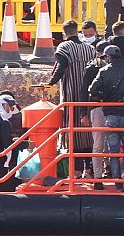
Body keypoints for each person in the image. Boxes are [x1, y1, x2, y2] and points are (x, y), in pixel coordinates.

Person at [88, 45, 124, 191]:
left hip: (110, 115)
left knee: (113, 150)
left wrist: (102, 97)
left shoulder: (104, 71)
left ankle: (118, 182)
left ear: (108, 57)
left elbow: (92, 89)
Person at [48, 20, 96, 176]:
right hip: (89, 98)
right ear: (78, 32)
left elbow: (60, 67)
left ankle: (75, 171)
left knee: (72, 133)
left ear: (64, 33)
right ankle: (89, 169)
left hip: (71, 97)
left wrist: (50, 83)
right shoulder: (90, 49)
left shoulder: (64, 47)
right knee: (89, 133)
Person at [80, 41, 110, 189]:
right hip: (97, 107)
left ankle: (110, 170)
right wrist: (83, 113)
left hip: (114, 108)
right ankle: (98, 176)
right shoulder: (91, 69)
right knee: (98, 143)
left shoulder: (115, 67)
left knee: (114, 143)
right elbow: (85, 90)